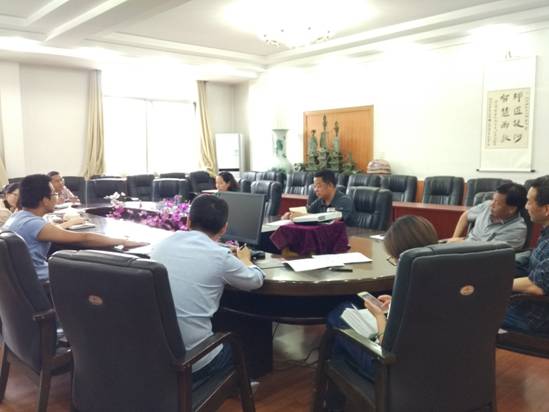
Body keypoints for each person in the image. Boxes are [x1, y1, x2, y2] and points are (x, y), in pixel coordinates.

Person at [150, 194, 264, 387]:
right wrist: (246, 260)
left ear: (188, 221)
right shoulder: (220, 256)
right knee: (235, 347)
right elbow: (255, 281)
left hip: (156, 356)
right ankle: (241, 387)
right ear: (224, 228)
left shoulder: (160, 246)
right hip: (192, 363)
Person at [326, 215, 439, 383]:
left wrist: (379, 316)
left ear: (404, 257)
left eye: (395, 259)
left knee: (338, 314)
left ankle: (337, 390)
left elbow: (387, 347)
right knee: (347, 309)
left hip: (392, 371)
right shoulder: (441, 282)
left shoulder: (409, 288)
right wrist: (394, 303)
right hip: (435, 368)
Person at [3, 174, 147, 280]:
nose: (57, 197)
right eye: (54, 194)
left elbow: (55, 231)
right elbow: (84, 238)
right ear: (45, 200)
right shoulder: (34, 224)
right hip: (42, 281)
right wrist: (122, 241)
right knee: (98, 272)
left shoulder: (17, 217)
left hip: (23, 282)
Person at [501, 176, 549, 335]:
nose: (526, 206)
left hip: (536, 317)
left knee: (472, 308)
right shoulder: (546, 231)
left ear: (546, 209)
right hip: (527, 303)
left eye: (529, 201)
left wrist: (492, 283)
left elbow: (536, 286)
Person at [448, 183, 527, 250]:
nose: (491, 205)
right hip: (462, 247)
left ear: (511, 209)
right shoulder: (487, 205)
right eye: (493, 199)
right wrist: (454, 238)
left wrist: (462, 243)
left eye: (497, 203)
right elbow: (465, 215)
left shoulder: (517, 230)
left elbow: (487, 252)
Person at [283, 169, 354, 223]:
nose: (315, 190)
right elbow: (308, 212)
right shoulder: (320, 200)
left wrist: (304, 216)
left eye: (318, 186)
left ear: (330, 185)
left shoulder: (344, 201)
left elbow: (333, 220)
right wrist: (292, 215)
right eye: (314, 186)